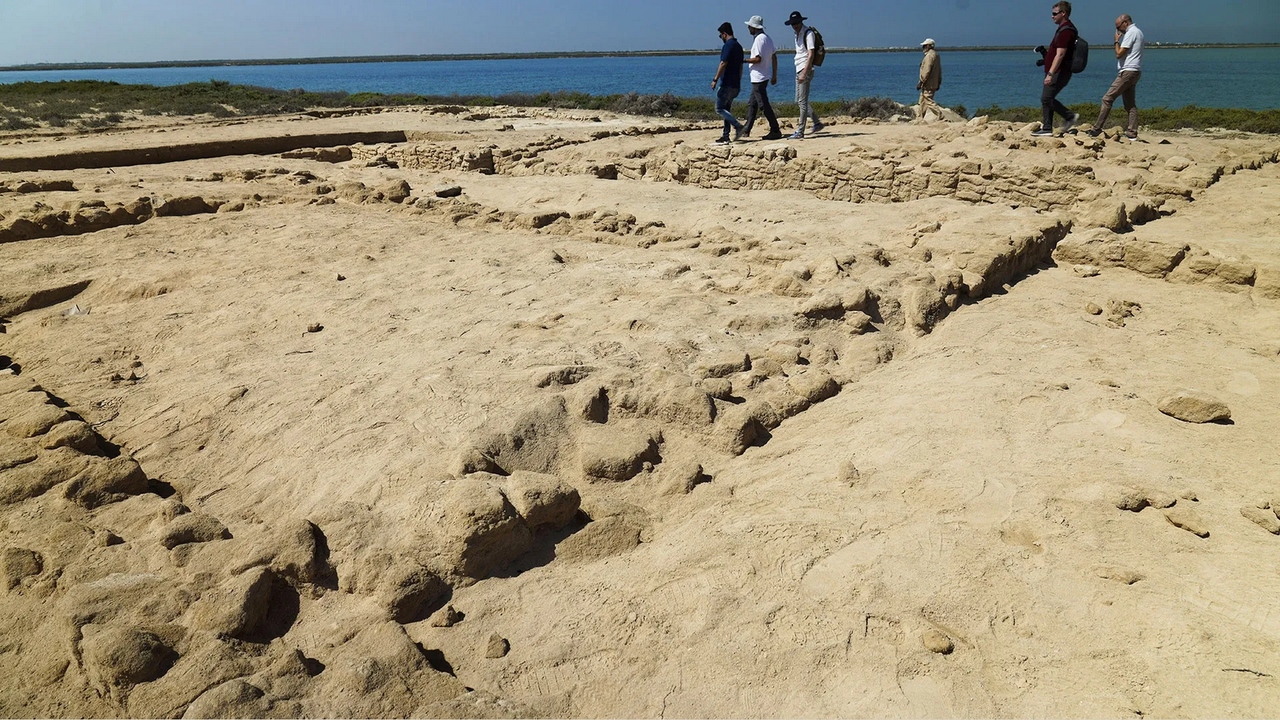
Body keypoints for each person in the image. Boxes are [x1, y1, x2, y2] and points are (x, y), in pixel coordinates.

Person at [1086, 14, 1144, 139]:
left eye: (1119, 27)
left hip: (1128, 71)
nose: (1119, 31)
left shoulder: (1131, 32)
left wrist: (1116, 41)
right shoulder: (1139, 32)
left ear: (1126, 23)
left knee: (1107, 99)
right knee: (1130, 104)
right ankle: (1132, 133)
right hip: (1136, 71)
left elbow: (1119, 54)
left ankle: (1097, 128)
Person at [1032, 1, 1080, 137]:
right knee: (1048, 97)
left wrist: (1050, 73)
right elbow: (1055, 53)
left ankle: (1069, 116)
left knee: (1046, 98)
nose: (1052, 16)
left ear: (1063, 13)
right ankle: (1047, 127)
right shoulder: (1063, 29)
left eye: (1054, 14)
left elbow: (1060, 54)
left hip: (1059, 72)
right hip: (1056, 71)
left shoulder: (1066, 31)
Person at [741, 15, 783, 141]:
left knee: (763, 104)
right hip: (763, 76)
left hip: (758, 78)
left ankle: (775, 129)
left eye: (749, 26)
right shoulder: (768, 39)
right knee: (752, 104)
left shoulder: (759, 39)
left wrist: (743, 60)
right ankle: (746, 129)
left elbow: (758, 59)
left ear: (754, 27)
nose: (748, 28)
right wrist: (774, 74)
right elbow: (774, 57)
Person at [784, 11, 824, 139]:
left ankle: (800, 131)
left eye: (796, 23)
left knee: (802, 101)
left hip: (804, 69)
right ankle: (817, 123)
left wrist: (804, 73)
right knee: (800, 100)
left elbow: (810, 54)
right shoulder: (797, 34)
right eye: (792, 24)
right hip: (799, 68)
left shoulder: (808, 33)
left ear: (801, 21)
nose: (794, 26)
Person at [711, 22, 746, 144]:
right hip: (736, 83)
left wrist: (715, 79)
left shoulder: (728, 45)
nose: (721, 38)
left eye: (720, 36)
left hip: (727, 83)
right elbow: (741, 66)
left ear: (724, 34)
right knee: (727, 109)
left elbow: (723, 63)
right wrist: (739, 80)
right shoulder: (739, 46)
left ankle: (738, 126)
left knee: (719, 108)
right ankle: (726, 135)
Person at [916, 38, 944, 122]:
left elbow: (926, 71)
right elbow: (939, 70)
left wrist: (921, 82)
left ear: (929, 46)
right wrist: (939, 81)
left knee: (928, 100)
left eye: (924, 46)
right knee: (922, 101)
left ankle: (940, 115)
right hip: (933, 82)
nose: (923, 47)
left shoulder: (929, 56)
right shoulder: (936, 55)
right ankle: (919, 118)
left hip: (928, 83)